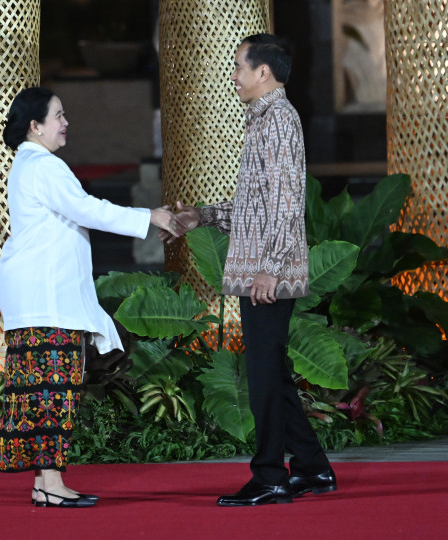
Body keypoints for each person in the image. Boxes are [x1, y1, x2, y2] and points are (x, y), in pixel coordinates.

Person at [166, 34, 337, 506]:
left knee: (262, 378)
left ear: (264, 72)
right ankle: (312, 470)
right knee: (271, 374)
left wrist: (270, 268)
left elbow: (285, 203)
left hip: (267, 273)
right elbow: (254, 206)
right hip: (262, 267)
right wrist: (201, 215)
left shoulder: (279, 120)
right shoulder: (263, 120)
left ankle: (270, 478)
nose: (235, 75)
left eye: (240, 66)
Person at [0, 87, 181, 508]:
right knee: (52, 389)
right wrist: (150, 216)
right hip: (45, 298)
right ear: (35, 125)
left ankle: (48, 481)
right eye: (58, 116)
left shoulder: (31, 162)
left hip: (41, 296)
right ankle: (49, 483)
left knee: (46, 389)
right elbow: (88, 210)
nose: (65, 123)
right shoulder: (43, 165)